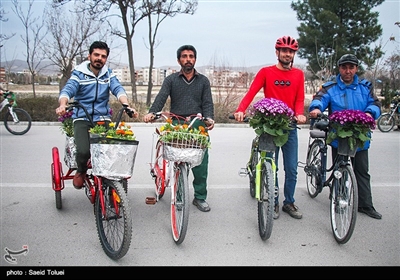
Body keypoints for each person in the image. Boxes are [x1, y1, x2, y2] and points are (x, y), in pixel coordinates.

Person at [234, 35, 307, 220]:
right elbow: (252, 92)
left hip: (289, 126)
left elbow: (299, 99)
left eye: (291, 51)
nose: (287, 54)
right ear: (277, 52)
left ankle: (288, 202)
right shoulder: (266, 72)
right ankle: (272, 202)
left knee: (291, 168)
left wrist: (300, 113)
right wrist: (241, 110)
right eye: (284, 51)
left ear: (294, 54)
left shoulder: (298, 74)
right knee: (270, 167)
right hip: (269, 126)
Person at [55, 41, 138, 189]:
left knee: (111, 148)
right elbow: (68, 90)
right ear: (89, 56)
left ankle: (109, 179)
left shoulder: (108, 74)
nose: (99, 58)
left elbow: (117, 89)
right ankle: (81, 171)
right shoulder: (79, 73)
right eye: (96, 55)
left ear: (106, 59)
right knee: (83, 151)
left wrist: (126, 105)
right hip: (82, 117)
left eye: (103, 56)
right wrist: (63, 104)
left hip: (102, 117)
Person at [309, 53, 382, 219]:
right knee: (339, 169)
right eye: (344, 67)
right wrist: (316, 108)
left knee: (362, 171)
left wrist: (371, 113)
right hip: (339, 134)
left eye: (351, 67)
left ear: (356, 69)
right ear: (339, 69)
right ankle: (339, 198)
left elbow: (375, 104)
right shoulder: (330, 86)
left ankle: (365, 205)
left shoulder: (365, 87)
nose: (348, 71)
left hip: (359, 135)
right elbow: (319, 99)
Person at [143, 45, 215, 212]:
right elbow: (161, 97)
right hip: (176, 122)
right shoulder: (171, 80)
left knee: (201, 163)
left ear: (195, 59)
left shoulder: (203, 80)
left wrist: (209, 119)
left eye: (191, 56)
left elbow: (207, 103)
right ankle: (179, 197)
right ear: (179, 60)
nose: (188, 59)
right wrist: (152, 113)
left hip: (197, 124)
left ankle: (200, 197)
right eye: (184, 56)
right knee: (178, 161)